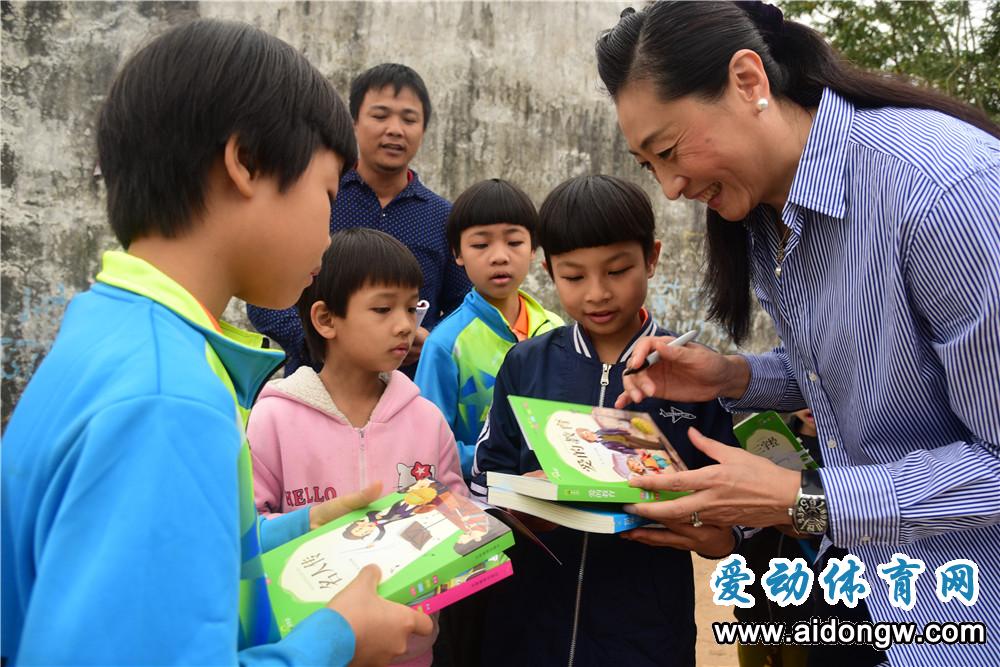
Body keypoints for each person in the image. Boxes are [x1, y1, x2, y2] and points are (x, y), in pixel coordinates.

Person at [0, 20, 432, 666]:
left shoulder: (113, 329)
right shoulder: (169, 397)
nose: (330, 226)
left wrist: (294, 529)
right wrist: (337, 639)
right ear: (245, 163)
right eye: (325, 193)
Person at [596, 3, 1000, 666]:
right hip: (868, 589)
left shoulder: (941, 193)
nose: (671, 186)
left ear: (749, 81)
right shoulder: (768, 215)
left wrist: (802, 497)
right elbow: (867, 371)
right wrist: (735, 377)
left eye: (669, 151)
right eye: (648, 165)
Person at [470, 174, 739, 666]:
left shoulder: (693, 372)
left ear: (652, 258)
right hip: (529, 629)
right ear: (550, 271)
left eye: (617, 271)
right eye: (574, 277)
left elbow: (733, 506)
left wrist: (717, 535)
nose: (597, 293)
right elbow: (485, 480)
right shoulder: (528, 365)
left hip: (645, 635)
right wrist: (523, 507)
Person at [248, 228, 467, 667]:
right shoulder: (274, 419)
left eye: (412, 307)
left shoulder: (426, 420)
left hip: (408, 649)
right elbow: (245, 533)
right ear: (326, 319)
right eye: (384, 308)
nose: (406, 325)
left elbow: (458, 522)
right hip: (306, 650)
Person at [248, 63, 471, 377]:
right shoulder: (317, 199)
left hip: (406, 394)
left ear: (423, 130)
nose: (395, 129)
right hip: (315, 389)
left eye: (409, 119)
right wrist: (323, 341)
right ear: (353, 122)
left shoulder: (443, 218)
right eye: (380, 116)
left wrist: (432, 340)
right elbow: (264, 293)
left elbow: (466, 307)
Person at [415, 178, 563, 481]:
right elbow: (427, 443)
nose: (499, 256)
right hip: (479, 506)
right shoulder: (445, 343)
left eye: (514, 242)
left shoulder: (556, 330)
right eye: (481, 244)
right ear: (457, 253)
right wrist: (505, 472)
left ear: (533, 249)